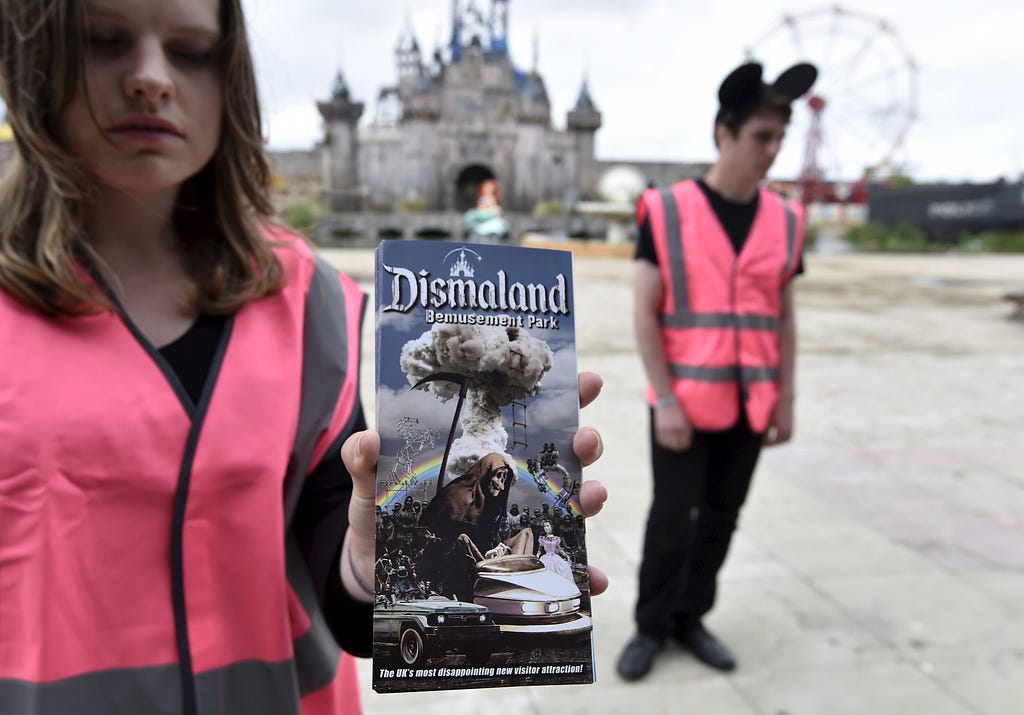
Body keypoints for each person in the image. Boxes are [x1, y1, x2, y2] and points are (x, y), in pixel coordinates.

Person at [0, 1, 609, 713]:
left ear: (230, 75)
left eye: (192, 50)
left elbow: (335, 565)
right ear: (34, 61)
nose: (150, 78)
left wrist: (371, 565)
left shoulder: (311, 299)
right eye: (104, 41)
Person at [616, 60, 817, 681]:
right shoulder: (667, 210)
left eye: (779, 138)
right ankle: (651, 626)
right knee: (672, 519)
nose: (773, 150)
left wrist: (786, 396)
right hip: (683, 403)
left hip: (753, 402)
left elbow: (782, 315)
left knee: (723, 520)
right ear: (723, 133)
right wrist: (666, 399)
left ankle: (689, 618)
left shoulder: (786, 218)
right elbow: (645, 314)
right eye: (762, 136)